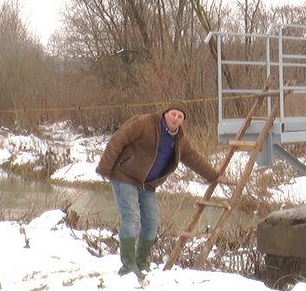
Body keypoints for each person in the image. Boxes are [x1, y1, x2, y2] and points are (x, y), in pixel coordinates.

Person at [96, 101, 230, 281]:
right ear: (166, 113)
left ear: (182, 121)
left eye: (180, 116)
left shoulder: (180, 140)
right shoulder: (145, 123)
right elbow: (118, 139)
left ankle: (141, 263)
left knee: (151, 223)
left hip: (148, 184)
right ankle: (128, 265)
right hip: (124, 175)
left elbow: (194, 159)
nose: (175, 118)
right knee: (132, 218)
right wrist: (105, 167)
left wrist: (214, 176)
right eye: (173, 114)